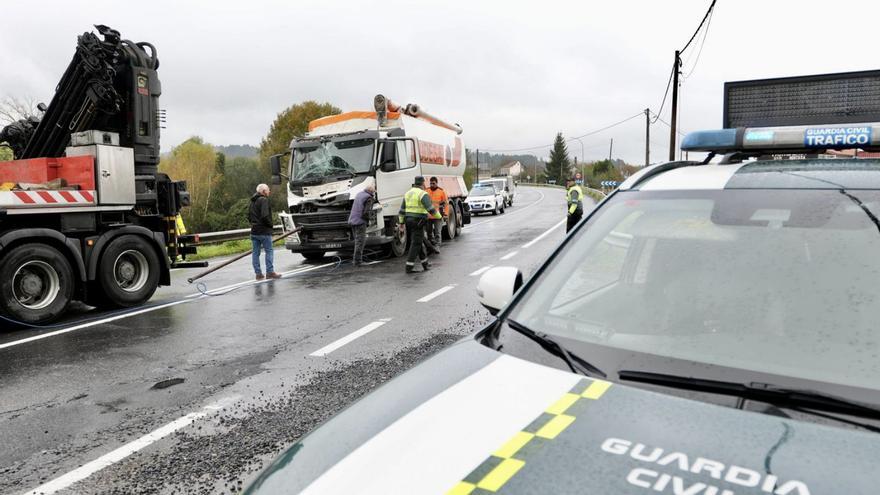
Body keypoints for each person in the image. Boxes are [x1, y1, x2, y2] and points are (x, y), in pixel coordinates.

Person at [398, 176, 442, 273]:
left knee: (419, 241)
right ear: (422, 183)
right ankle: (409, 267)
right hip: (418, 221)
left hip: (409, 221)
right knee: (416, 244)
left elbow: (401, 210)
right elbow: (430, 208)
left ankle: (425, 264)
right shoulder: (422, 193)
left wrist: (401, 223)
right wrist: (439, 217)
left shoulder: (407, 193)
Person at [249, 183, 280, 280]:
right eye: (268, 190)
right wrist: (270, 225)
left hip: (254, 231)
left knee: (255, 253)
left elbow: (248, 216)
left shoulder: (252, 201)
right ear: (263, 191)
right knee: (269, 251)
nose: (269, 191)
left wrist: (254, 223)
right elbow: (265, 215)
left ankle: (258, 274)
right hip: (264, 231)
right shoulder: (264, 200)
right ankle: (270, 272)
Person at [348, 177, 375, 266]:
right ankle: (358, 261)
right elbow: (366, 212)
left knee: (357, 241)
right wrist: (369, 221)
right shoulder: (369, 198)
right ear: (372, 192)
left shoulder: (359, 194)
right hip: (360, 222)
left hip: (352, 220)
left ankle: (355, 260)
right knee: (360, 242)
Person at [426, 176, 448, 249]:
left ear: (436, 183)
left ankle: (437, 246)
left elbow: (446, 204)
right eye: (431, 183)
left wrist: (446, 214)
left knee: (437, 232)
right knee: (429, 233)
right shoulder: (426, 191)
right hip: (428, 216)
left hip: (438, 216)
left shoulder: (441, 192)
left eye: (433, 183)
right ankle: (431, 246)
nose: (432, 185)